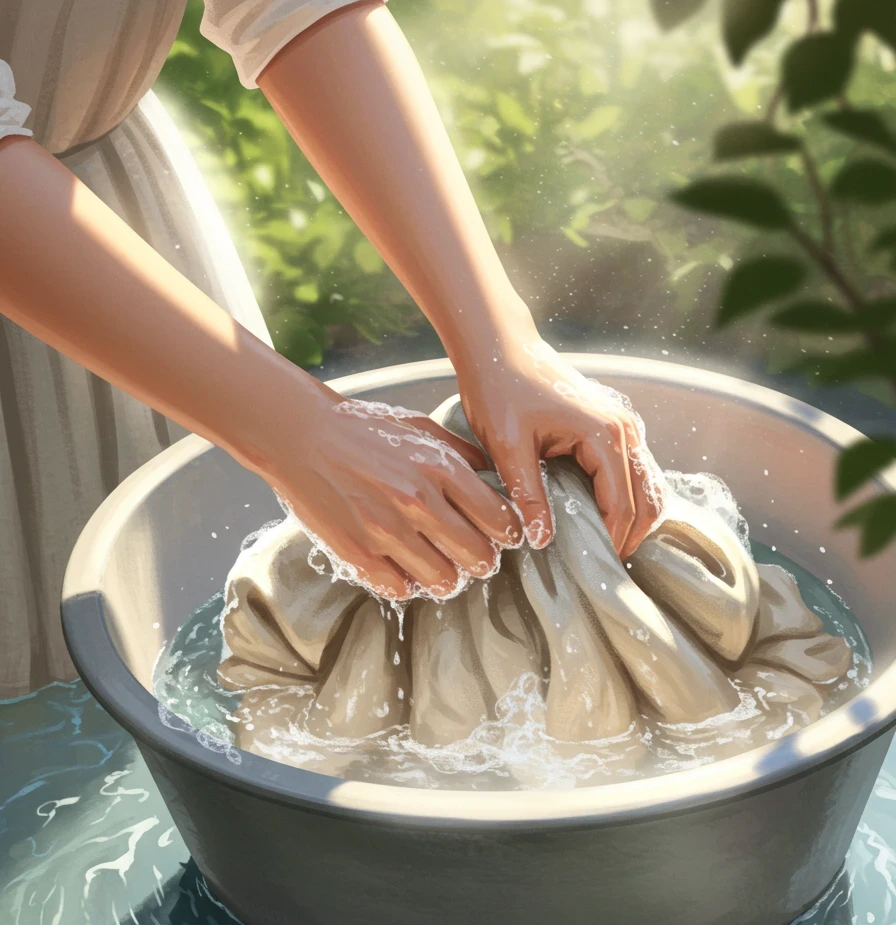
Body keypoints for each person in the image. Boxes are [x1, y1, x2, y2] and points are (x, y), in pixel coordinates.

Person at [0, 0, 663, 700]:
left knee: (161, 645)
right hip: (45, 253)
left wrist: (500, 341)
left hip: (114, 221)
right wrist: (294, 430)